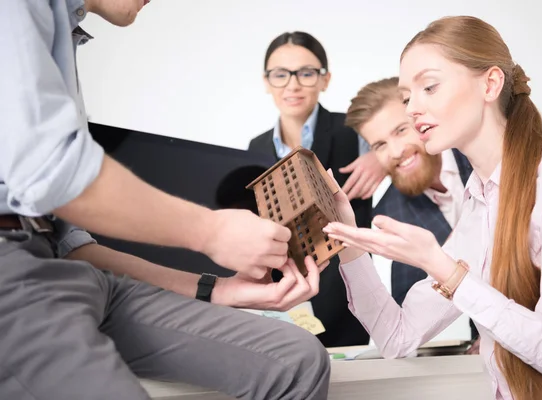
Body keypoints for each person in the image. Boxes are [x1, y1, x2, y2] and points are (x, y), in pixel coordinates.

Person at [0, 1, 330, 399]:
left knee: (297, 361)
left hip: (72, 268)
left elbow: (72, 246)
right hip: (14, 270)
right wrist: (212, 232)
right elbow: (54, 174)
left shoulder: (62, 33)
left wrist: (218, 289)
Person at [324, 15, 542, 400]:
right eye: (407, 98)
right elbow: (396, 336)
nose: (412, 109)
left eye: (429, 87)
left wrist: (443, 269)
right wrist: (349, 241)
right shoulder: (480, 202)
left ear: (490, 83)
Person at [248, 31, 386, 347]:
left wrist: (382, 156)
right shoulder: (255, 148)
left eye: (306, 73)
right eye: (280, 74)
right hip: (285, 306)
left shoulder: (355, 130)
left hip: (349, 298)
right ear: (266, 82)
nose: (293, 85)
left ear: (325, 79)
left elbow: (414, 142)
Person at [344, 76, 479, 347]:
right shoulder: (394, 216)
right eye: (379, 145)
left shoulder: (479, 155)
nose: (395, 151)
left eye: (401, 130)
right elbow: (404, 327)